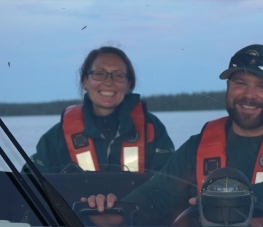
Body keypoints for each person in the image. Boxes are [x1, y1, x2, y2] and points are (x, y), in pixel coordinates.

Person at [84, 44, 263, 227]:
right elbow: (155, 196)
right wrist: (113, 210)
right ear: (228, 89)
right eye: (240, 83)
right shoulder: (197, 145)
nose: (249, 95)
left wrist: (233, 199)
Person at [28, 46, 174, 174]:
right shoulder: (57, 136)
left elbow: (171, 185)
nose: (108, 82)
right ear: (86, 81)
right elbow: (30, 183)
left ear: (128, 84)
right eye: (99, 74)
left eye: (118, 75)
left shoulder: (152, 129)